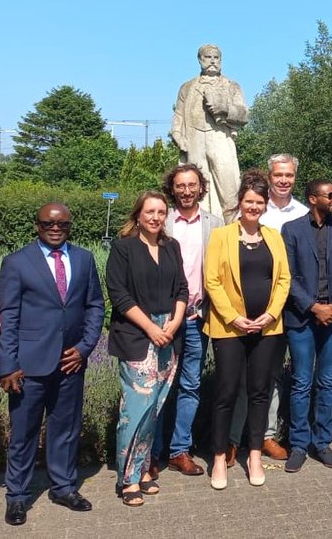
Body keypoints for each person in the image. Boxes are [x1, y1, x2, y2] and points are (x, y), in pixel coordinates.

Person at [0, 203, 105, 526]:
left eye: (61, 224)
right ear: (37, 226)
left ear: (70, 226)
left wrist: (85, 347)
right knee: (24, 433)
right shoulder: (16, 263)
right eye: (47, 223)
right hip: (28, 366)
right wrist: (7, 365)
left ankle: (63, 487)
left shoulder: (84, 260)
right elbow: (9, 316)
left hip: (71, 363)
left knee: (66, 430)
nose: (55, 228)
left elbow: (95, 306)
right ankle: (17, 496)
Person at [205, 171, 291, 489]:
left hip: (267, 329)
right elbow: (212, 279)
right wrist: (233, 317)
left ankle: (254, 454)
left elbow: (283, 279)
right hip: (230, 329)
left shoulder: (274, 237)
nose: (253, 206)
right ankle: (218, 458)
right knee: (226, 393)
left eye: (259, 202)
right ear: (239, 203)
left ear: (265, 205)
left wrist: (270, 314)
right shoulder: (221, 237)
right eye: (248, 201)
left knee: (259, 393)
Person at [105, 190, 187, 506]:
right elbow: (119, 295)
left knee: (155, 406)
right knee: (135, 409)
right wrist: (151, 327)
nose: (155, 217)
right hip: (137, 335)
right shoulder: (123, 248)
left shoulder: (171, 247)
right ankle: (127, 477)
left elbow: (182, 288)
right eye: (149, 211)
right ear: (138, 214)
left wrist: (174, 322)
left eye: (161, 212)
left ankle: (142, 469)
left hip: (169, 333)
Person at [148, 164, 222, 480]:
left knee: (190, 385)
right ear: (173, 188)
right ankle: (151, 452)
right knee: (158, 385)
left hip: (197, 318)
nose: (186, 190)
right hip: (164, 320)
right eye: (180, 185)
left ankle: (180, 450)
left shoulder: (215, 225)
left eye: (192, 185)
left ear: (200, 188)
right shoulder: (160, 221)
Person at [281, 179, 332, 473]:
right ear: (313, 199)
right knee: (301, 382)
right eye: (330, 194)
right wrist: (313, 306)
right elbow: (287, 275)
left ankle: (322, 442)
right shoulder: (292, 230)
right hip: (301, 317)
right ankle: (298, 444)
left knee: (326, 381)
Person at [254, 153, 308, 461]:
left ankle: (273, 434)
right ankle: (251, 435)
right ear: (270, 176)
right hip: (262, 306)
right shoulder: (256, 209)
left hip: (296, 307)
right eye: (278, 175)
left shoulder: (302, 212)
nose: (283, 180)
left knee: (291, 373)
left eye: (288, 175)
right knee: (259, 372)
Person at [170, 44, 249, 217]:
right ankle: (201, 229)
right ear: (200, 60)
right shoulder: (187, 87)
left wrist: (225, 108)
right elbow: (178, 116)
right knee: (196, 189)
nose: (213, 61)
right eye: (208, 57)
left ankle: (233, 229)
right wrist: (177, 135)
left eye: (216, 58)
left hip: (220, 138)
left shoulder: (231, 85)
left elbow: (244, 115)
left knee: (229, 187)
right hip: (194, 140)